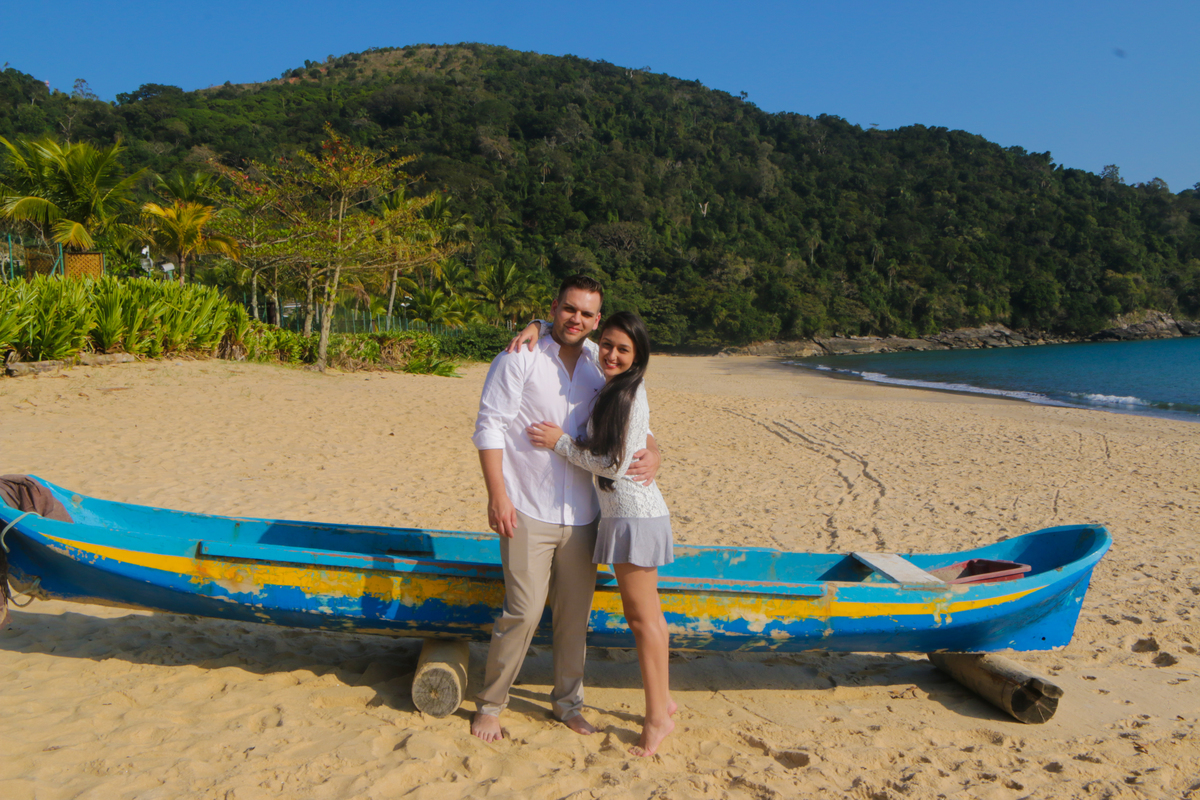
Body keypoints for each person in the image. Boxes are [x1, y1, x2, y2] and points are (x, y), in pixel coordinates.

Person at [470, 275, 661, 743]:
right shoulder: (520, 356)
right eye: (568, 309)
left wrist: (656, 450)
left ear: (597, 320)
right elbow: (489, 426)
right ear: (554, 307)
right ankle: (491, 705)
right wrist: (497, 494)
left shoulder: (602, 360)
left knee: (575, 618)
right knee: (523, 612)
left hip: (584, 515)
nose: (576, 319)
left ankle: (568, 704)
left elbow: (634, 419)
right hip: (526, 505)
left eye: (586, 313)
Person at [526, 311, 676, 757]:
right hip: (625, 515)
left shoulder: (627, 394)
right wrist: (539, 323)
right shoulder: (613, 379)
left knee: (644, 620)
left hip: (634, 517)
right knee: (648, 618)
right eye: (607, 344)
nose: (610, 354)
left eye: (622, 349)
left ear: (638, 356)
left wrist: (559, 442)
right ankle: (664, 702)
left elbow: (612, 464)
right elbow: (581, 337)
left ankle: (657, 718)